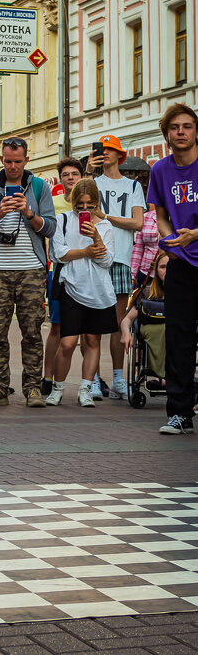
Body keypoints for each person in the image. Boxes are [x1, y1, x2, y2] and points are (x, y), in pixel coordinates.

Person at [0, 137, 56, 407]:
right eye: (7, 161)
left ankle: (33, 388)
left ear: (26, 160)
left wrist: (29, 213)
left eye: (17, 162)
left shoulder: (40, 187)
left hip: (31, 269)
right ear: (1, 160)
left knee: (31, 331)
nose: (12, 166)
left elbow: (50, 228)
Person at [147, 103, 198, 435]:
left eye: (188, 126)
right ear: (166, 133)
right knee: (178, 338)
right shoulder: (160, 170)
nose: (181, 132)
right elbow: (161, 214)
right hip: (181, 264)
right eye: (175, 127)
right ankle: (180, 413)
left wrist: (195, 234)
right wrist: (171, 242)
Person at [47, 178, 117, 407]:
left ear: (97, 202)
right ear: (73, 202)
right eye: (80, 205)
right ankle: (58, 388)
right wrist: (85, 251)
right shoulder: (63, 220)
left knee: (93, 339)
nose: (84, 210)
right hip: (72, 287)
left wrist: (96, 237)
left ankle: (86, 389)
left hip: (98, 290)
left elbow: (106, 262)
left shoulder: (105, 226)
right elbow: (58, 254)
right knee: (67, 343)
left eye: (90, 205)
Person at [85, 134, 145, 399]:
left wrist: (106, 217)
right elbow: (82, 209)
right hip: (95, 256)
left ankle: (119, 377)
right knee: (94, 322)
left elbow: (138, 223)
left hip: (121, 256)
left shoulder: (132, 186)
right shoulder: (92, 183)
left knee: (119, 321)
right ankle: (94, 379)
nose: (106, 153)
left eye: (111, 149)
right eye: (102, 149)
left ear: (120, 155)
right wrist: (87, 170)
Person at [43, 157, 84, 396]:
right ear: (61, 179)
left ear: (81, 177)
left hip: (86, 272)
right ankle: (47, 377)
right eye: (66, 174)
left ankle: (94, 380)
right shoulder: (53, 201)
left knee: (89, 331)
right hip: (57, 270)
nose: (70, 178)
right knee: (56, 328)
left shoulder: (90, 203)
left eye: (74, 174)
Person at [121, 251, 167, 387]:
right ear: (156, 270)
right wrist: (125, 333)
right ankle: (156, 374)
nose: (167, 271)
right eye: (162, 267)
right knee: (160, 330)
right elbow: (126, 320)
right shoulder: (147, 292)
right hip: (151, 330)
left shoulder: (185, 293)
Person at [131, 205, 158, 287]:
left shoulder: (178, 217)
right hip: (146, 273)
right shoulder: (146, 217)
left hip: (169, 273)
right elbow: (138, 248)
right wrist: (133, 274)